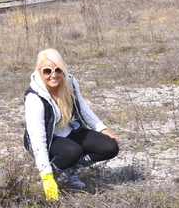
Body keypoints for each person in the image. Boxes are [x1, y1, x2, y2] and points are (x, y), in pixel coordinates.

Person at [24, 49, 119, 200]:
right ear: (39, 71)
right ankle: (55, 175)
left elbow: (82, 107)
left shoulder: (69, 81)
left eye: (58, 70)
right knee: (72, 151)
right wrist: (46, 175)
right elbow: (37, 138)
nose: (53, 75)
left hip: (68, 130)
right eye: (47, 71)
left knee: (110, 147)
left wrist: (101, 128)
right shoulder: (34, 98)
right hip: (49, 137)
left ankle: (70, 169)